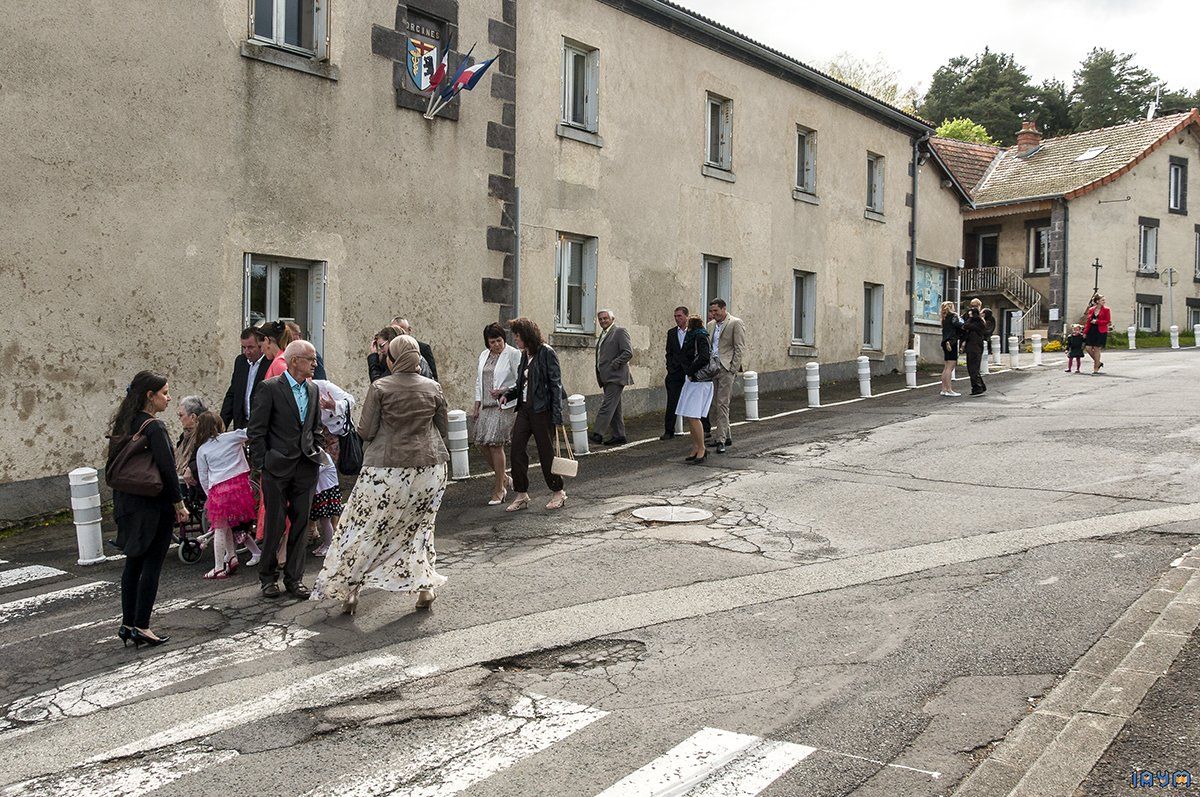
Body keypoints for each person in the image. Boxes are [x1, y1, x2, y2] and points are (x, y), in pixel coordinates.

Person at [312, 335, 449, 616]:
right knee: (419, 529)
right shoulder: (433, 387)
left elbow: (366, 430)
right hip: (429, 469)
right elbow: (443, 428)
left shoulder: (380, 387)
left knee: (365, 528)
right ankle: (425, 588)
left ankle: (350, 591)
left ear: (393, 359)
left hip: (386, 470)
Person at [107, 371, 187, 648]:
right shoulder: (154, 427)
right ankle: (142, 625)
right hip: (153, 505)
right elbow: (167, 470)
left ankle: (128, 624)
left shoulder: (125, 424)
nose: (169, 397)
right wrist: (179, 504)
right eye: (164, 393)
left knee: (133, 563)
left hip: (127, 503)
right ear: (149, 396)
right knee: (151, 565)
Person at [247, 340, 324, 599]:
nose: (315, 363)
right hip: (276, 467)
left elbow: (315, 427)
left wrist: (317, 451)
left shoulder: (312, 389)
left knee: (301, 525)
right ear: (294, 361)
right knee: (275, 524)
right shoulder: (270, 388)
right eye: (310, 359)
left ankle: (295, 578)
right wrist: (263, 463)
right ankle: (268, 578)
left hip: (306, 466)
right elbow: (256, 431)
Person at [504, 317, 568, 512]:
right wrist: (508, 394)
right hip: (524, 410)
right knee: (516, 450)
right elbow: (521, 383)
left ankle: (558, 492)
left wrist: (556, 415)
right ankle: (521, 493)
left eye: (518, 335)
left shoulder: (547, 353)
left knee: (546, 453)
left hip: (542, 411)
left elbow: (556, 385)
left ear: (527, 335)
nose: (515, 339)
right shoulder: (525, 355)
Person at [193, 412, 255, 579]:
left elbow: (204, 477)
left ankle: (219, 566)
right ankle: (232, 556)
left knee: (220, 528)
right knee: (230, 525)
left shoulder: (202, 450)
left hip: (218, 491)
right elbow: (250, 432)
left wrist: (210, 496)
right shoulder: (232, 437)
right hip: (240, 488)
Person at [473, 323, 521, 505]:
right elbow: (479, 380)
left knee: (494, 444)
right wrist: (477, 403)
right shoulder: (484, 355)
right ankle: (505, 478)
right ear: (487, 342)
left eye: (499, 340)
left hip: (504, 405)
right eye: (492, 342)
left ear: (504, 339)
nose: (496, 345)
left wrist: (504, 390)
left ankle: (499, 489)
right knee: (481, 443)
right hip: (486, 405)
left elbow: (521, 381)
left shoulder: (513, 354)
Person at [309, 378, 354, 556]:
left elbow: (350, 400)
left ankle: (333, 533)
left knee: (328, 483)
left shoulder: (323, 386)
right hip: (312, 438)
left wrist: (333, 405)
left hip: (330, 436)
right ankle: (315, 530)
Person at [706, 299, 745, 454]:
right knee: (715, 404)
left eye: (716, 311)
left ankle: (720, 439)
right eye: (712, 311)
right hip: (712, 367)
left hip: (726, 367)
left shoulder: (735, 323)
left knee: (722, 403)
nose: (713, 314)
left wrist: (732, 369)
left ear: (724, 309)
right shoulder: (711, 325)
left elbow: (739, 347)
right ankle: (726, 435)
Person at [591, 309, 633, 446]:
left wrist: (615, 363)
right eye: (600, 319)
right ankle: (619, 435)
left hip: (616, 376)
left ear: (612, 319)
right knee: (615, 407)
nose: (603, 321)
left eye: (605, 318)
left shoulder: (619, 331)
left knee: (607, 405)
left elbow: (628, 352)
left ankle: (597, 433)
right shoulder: (603, 334)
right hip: (606, 376)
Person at [676, 315, 714, 463]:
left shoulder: (699, 337)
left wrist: (690, 371)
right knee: (690, 415)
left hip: (699, 380)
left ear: (691, 326)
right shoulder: (697, 336)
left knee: (693, 415)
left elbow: (704, 357)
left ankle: (702, 448)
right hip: (695, 380)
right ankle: (696, 447)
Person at [219, 327, 268, 430]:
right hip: (242, 424)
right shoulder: (240, 361)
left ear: (261, 345)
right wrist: (222, 424)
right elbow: (232, 393)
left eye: (251, 347)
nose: (247, 352)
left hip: (261, 425)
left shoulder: (269, 364)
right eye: (244, 347)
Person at [662, 306, 690, 441]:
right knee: (672, 401)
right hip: (675, 371)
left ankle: (705, 429)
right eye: (675, 316)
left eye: (679, 316)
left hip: (690, 371)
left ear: (686, 316)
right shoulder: (672, 333)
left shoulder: (693, 332)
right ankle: (669, 430)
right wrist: (670, 367)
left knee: (695, 401)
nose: (677, 319)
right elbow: (669, 352)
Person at [962, 306, 988, 396]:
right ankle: (979, 386)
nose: (969, 315)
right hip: (975, 348)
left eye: (970, 314)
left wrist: (970, 318)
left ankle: (977, 387)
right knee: (973, 369)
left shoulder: (976, 324)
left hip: (974, 348)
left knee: (973, 368)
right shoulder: (979, 323)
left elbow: (966, 325)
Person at [939, 302, 962, 397]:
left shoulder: (944, 318)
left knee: (946, 367)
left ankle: (944, 389)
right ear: (951, 307)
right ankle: (949, 389)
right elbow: (959, 324)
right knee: (950, 367)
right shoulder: (953, 316)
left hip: (944, 341)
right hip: (952, 341)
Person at [1083, 295, 1111, 374]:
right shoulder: (1091, 309)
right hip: (1091, 330)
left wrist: (1097, 322)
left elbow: (1107, 321)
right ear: (1097, 301)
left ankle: (1096, 368)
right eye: (1102, 300)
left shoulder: (1106, 310)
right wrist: (1085, 332)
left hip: (1101, 331)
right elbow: (1088, 322)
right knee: (1088, 348)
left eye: (1104, 300)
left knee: (1096, 349)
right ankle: (1098, 362)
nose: (1104, 302)